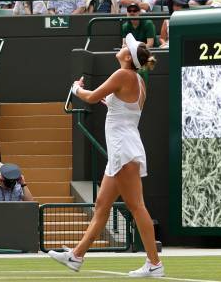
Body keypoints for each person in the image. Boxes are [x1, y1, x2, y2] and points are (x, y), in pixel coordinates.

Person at [49, 33, 163, 278]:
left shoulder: (123, 74)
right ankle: (76, 256)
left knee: (137, 206)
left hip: (123, 148)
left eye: (125, 47)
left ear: (128, 57)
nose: (122, 47)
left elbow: (91, 98)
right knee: (102, 206)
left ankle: (154, 264)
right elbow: (110, 103)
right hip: (122, 150)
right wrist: (83, 90)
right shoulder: (137, 81)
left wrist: (76, 89)